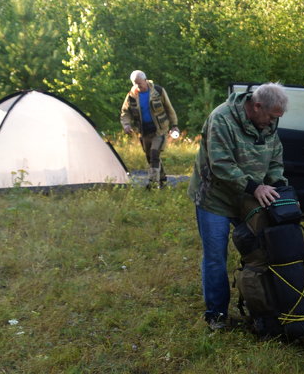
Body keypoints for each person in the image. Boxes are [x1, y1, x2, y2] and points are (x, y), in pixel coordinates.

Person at [188, 83, 289, 330]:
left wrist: (277, 186)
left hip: (249, 198)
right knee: (216, 257)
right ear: (256, 106)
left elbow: (275, 158)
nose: (272, 123)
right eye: (270, 117)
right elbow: (220, 164)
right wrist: (255, 187)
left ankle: (263, 307)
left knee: (264, 249)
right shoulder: (221, 118)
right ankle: (217, 315)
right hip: (215, 198)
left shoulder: (269, 120)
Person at [120, 70, 179, 188]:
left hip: (159, 130)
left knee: (154, 154)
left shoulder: (158, 91)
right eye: (135, 84)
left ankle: (153, 183)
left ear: (145, 80)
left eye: (140, 83)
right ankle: (162, 179)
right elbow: (125, 112)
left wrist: (174, 126)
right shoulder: (131, 96)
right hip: (144, 131)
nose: (138, 86)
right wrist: (126, 125)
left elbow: (169, 108)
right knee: (149, 157)